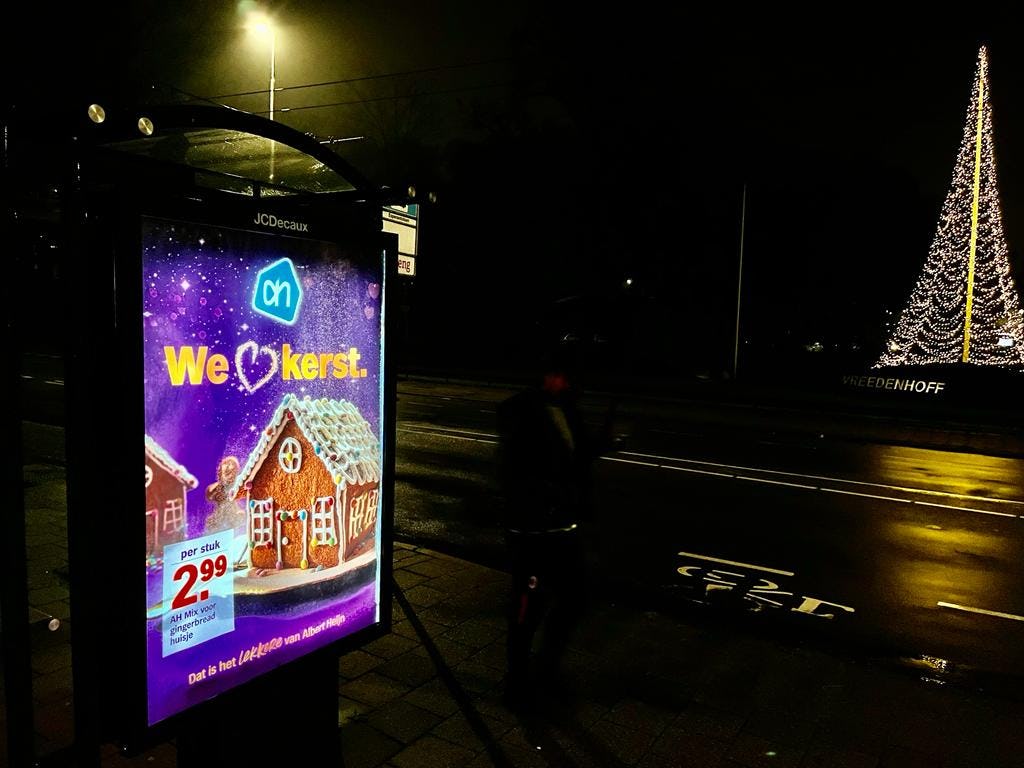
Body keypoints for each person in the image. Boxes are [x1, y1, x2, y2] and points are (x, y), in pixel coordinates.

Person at [496, 344, 615, 712]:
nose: (566, 383)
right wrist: (546, 493)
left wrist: (603, 443)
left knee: (574, 598)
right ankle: (517, 681)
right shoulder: (519, 410)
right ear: (546, 375)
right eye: (561, 376)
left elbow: (577, 454)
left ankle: (546, 667)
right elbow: (513, 470)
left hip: (564, 526)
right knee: (527, 608)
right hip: (532, 531)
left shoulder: (567, 408)